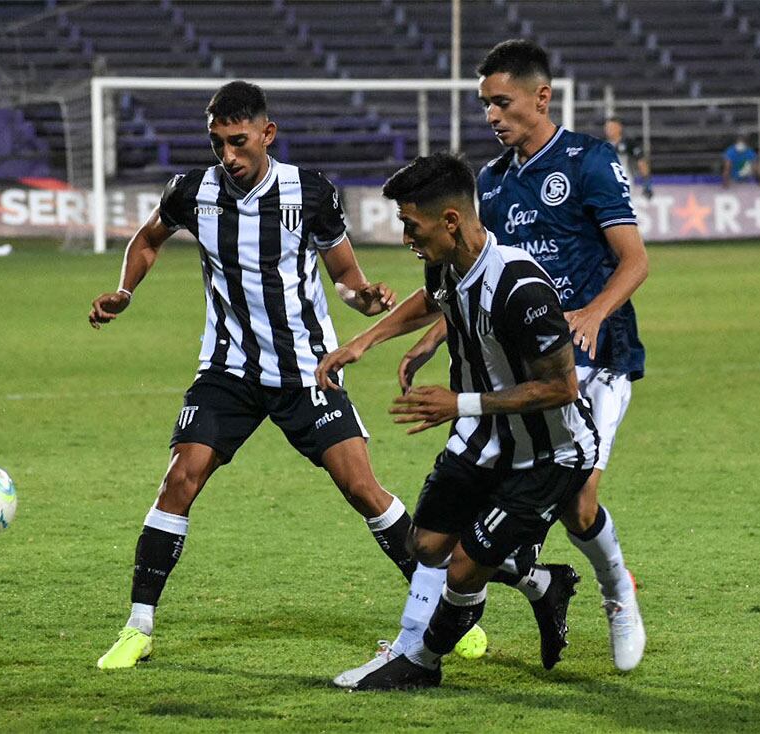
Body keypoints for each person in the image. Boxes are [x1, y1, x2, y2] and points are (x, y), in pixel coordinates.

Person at [88, 80, 421, 670]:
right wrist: (123, 290)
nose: (228, 156)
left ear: (267, 133)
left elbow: (343, 273)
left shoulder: (310, 192)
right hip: (228, 369)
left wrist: (365, 297)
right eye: (218, 143)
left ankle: (437, 609)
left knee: (363, 489)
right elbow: (148, 239)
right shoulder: (193, 190)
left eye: (238, 142)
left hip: (304, 369)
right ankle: (138, 625)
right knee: (179, 479)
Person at [393, 39, 649, 672]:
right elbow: (478, 280)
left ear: (542, 96)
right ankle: (540, 584)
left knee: (578, 504)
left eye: (501, 102)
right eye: (485, 105)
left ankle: (619, 594)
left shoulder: (588, 161)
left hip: (594, 357)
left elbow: (635, 259)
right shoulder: (491, 182)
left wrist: (591, 312)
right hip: (521, 365)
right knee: (487, 517)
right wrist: (435, 335)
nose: (491, 116)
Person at [320, 152, 599, 690]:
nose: (405, 237)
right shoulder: (445, 262)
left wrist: (459, 403)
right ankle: (544, 582)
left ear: (450, 221)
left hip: (548, 453)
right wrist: (364, 343)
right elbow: (433, 300)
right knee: (425, 546)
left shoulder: (522, 288)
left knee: (464, 567)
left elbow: (561, 388)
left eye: (410, 224)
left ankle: (420, 661)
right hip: (482, 437)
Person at [603, 116, 652, 199]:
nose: (608, 130)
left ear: (619, 128)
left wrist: (646, 182)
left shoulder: (629, 143)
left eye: (611, 127)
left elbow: (641, 162)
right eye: (607, 128)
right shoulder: (602, 145)